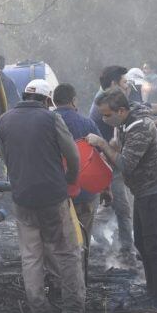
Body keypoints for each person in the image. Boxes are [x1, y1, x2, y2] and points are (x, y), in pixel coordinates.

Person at [0, 78, 96, 313]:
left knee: (31, 257)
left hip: (22, 199)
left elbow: (4, 155)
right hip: (53, 197)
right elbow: (72, 154)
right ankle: (73, 311)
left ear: (24, 95)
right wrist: (71, 180)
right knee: (68, 252)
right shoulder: (51, 119)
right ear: (48, 100)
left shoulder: (4, 120)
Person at [86, 88, 157, 310]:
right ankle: (151, 291)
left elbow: (125, 164)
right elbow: (124, 140)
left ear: (122, 110)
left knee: (154, 247)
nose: (104, 119)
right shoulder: (126, 120)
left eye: (107, 115)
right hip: (143, 191)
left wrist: (102, 144)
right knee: (141, 244)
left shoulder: (140, 127)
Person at [53, 83, 107, 251]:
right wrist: (106, 188)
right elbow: (101, 157)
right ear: (74, 101)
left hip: (55, 195)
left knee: (58, 242)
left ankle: (58, 275)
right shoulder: (87, 124)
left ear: (54, 101)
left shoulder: (46, 123)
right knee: (82, 242)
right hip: (85, 194)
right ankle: (80, 274)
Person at [89, 66, 135, 256]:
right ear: (114, 84)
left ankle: (107, 240)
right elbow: (105, 144)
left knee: (115, 207)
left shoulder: (107, 101)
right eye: (124, 82)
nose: (128, 86)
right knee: (121, 209)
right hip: (108, 166)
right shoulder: (103, 108)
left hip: (110, 163)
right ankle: (125, 249)